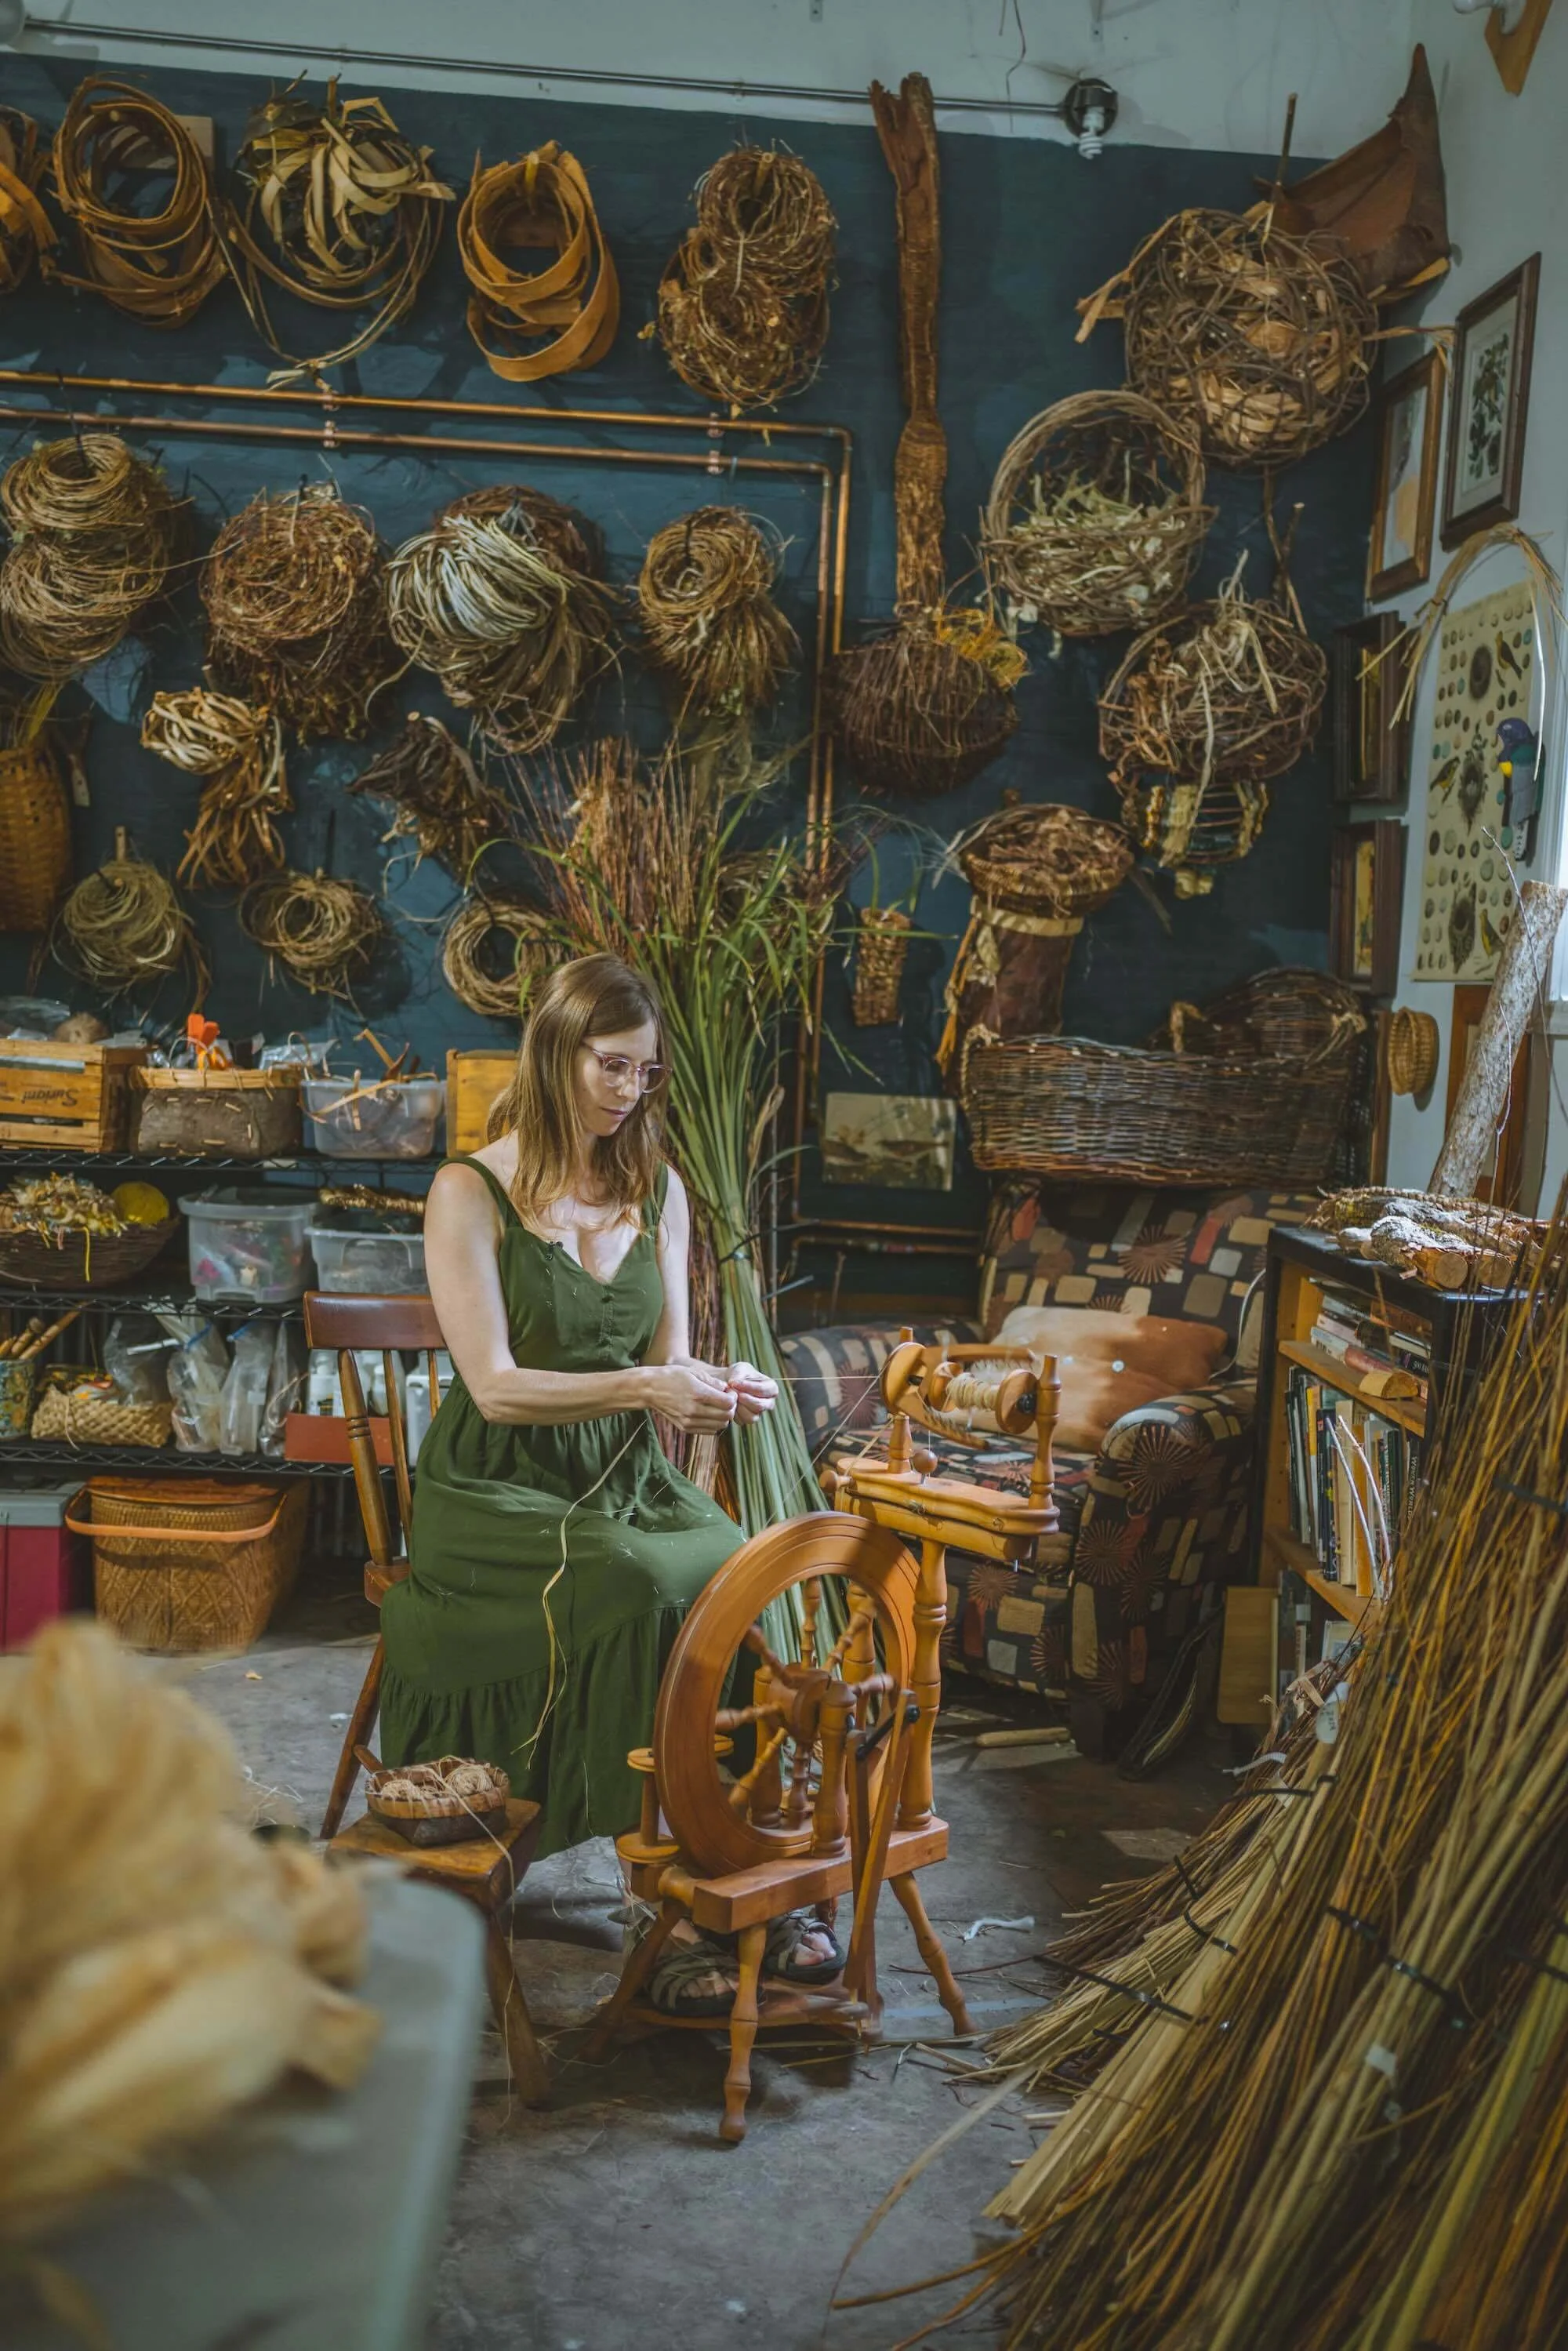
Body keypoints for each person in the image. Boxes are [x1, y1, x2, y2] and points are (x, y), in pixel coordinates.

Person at [379, 950, 840, 2010]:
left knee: (727, 1564)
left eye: (648, 1074)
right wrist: (649, 1382)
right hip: (495, 1487)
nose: (632, 1091)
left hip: (623, 1476)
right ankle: (663, 1869)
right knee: (638, 1578)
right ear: (557, 1049)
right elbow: (492, 1388)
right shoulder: (469, 1189)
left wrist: (721, 1387)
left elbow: (672, 1362)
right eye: (614, 1066)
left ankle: (714, 1850)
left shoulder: (660, 1187)